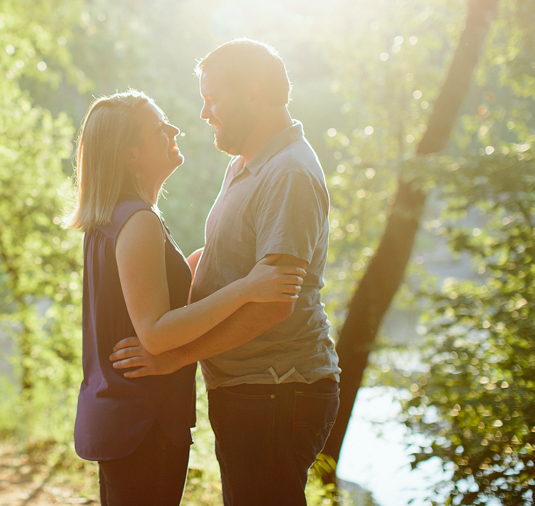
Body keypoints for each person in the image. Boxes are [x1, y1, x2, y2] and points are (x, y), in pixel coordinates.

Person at [110, 39, 341, 506]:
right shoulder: (247, 164)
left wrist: (177, 356)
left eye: (213, 98)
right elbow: (227, 259)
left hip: (277, 389)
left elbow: (272, 303)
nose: (203, 113)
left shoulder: (288, 173)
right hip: (253, 389)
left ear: (253, 93)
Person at [66, 89, 307, 506]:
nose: (174, 130)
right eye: (159, 128)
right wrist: (246, 287)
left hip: (124, 417)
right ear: (131, 155)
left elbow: (135, 300)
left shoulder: (113, 216)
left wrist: (192, 268)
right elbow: (155, 335)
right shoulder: (139, 220)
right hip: (145, 423)